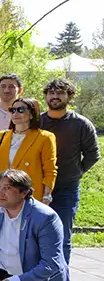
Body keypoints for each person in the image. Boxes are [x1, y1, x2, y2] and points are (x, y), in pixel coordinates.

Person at [40, 78, 100, 263]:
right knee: (34, 234)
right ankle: (35, 275)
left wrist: (76, 172)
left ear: (70, 96)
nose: (55, 96)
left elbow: (92, 155)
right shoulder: (37, 121)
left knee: (62, 235)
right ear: (46, 96)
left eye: (60, 93)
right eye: (51, 93)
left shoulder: (81, 124)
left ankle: (61, 274)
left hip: (66, 189)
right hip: (38, 186)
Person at [0, 97, 56, 204]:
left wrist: (47, 195)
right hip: (1, 196)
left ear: (32, 114)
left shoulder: (45, 137)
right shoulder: (0, 136)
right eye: (13, 110)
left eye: (20, 110)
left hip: (28, 195)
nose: (15, 113)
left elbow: (50, 170)